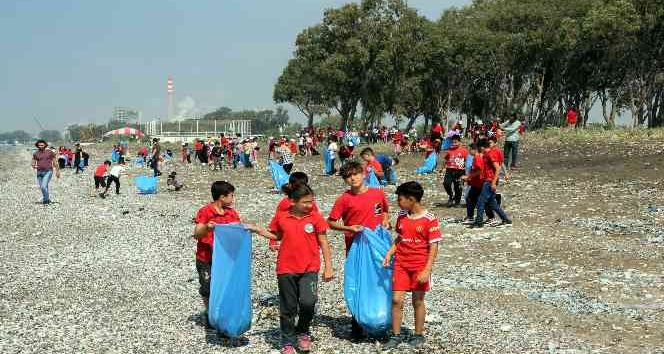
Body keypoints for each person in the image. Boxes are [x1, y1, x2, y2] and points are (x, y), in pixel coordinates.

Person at [248, 183, 334, 354]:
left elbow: (323, 242)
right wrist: (257, 230)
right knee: (288, 307)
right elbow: (277, 236)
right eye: (306, 202)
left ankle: (303, 331)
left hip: (310, 268)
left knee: (309, 302)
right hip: (286, 268)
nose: (310, 205)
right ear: (293, 201)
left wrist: (328, 267)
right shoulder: (281, 217)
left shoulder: (316, 218)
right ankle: (287, 341)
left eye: (311, 201)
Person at [327, 161, 390, 339]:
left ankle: (382, 321)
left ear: (363, 174)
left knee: (380, 282)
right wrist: (349, 229)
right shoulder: (344, 199)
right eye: (348, 176)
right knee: (358, 283)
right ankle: (357, 324)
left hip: (378, 248)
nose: (352, 178)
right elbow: (330, 222)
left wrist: (385, 220)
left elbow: (385, 211)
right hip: (356, 249)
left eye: (355, 174)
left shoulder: (377, 193)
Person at [381, 181, 441, 349]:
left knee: (418, 301)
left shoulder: (430, 219)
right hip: (401, 264)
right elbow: (400, 238)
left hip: (419, 266)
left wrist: (427, 270)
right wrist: (389, 253)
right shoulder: (402, 215)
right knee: (396, 300)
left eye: (400, 199)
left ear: (412, 199)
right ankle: (396, 335)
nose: (398, 203)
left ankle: (418, 334)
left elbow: (434, 246)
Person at [192, 181, 242, 327]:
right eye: (231, 196)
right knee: (207, 287)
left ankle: (221, 315)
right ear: (222, 197)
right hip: (206, 258)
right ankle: (210, 313)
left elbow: (238, 232)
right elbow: (196, 234)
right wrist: (208, 227)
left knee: (223, 287)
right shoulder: (205, 212)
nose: (233, 199)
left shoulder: (231, 213)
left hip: (225, 260)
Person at [267, 172, 319, 252]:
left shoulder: (310, 204)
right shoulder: (285, 203)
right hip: (290, 239)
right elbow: (276, 222)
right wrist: (273, 241)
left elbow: (317, 221)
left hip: (307, 239)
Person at [469, 137, 512, 228]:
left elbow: (498, 168)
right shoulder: (486, 155)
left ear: (482, 147)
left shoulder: (490, 154)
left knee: (481, 201)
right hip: (488, 180)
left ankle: (478, 222)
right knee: (492, 203)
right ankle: (505, 219)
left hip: (490, 181)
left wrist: (493, 182)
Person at [442, 135, 468, 207]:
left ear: (459, 142)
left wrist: (467, 172)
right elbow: (446, 159)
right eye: (452, 142)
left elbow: (467, 161)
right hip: (449, 170)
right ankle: (451, 195)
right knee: (446, 183)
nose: (454, 144)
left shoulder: (464, 150)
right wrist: (442, 168)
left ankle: (457, 202)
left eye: (455, 142)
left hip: (460, 171)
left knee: (458, 187)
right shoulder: (450, 150)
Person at [32, 140, 60, 204]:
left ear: (45, 145)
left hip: (48, 171)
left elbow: (55, 161)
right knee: (43, 187)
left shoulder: (49, 152)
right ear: (37, 146)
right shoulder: (35, 153)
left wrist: (57, 171)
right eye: (39, 145)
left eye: (42, 145)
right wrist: (33, 165)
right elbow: (33, 161)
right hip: (39, 172)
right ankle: (46, 200)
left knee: (43, 186)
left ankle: (46, 199)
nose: (40, 146)